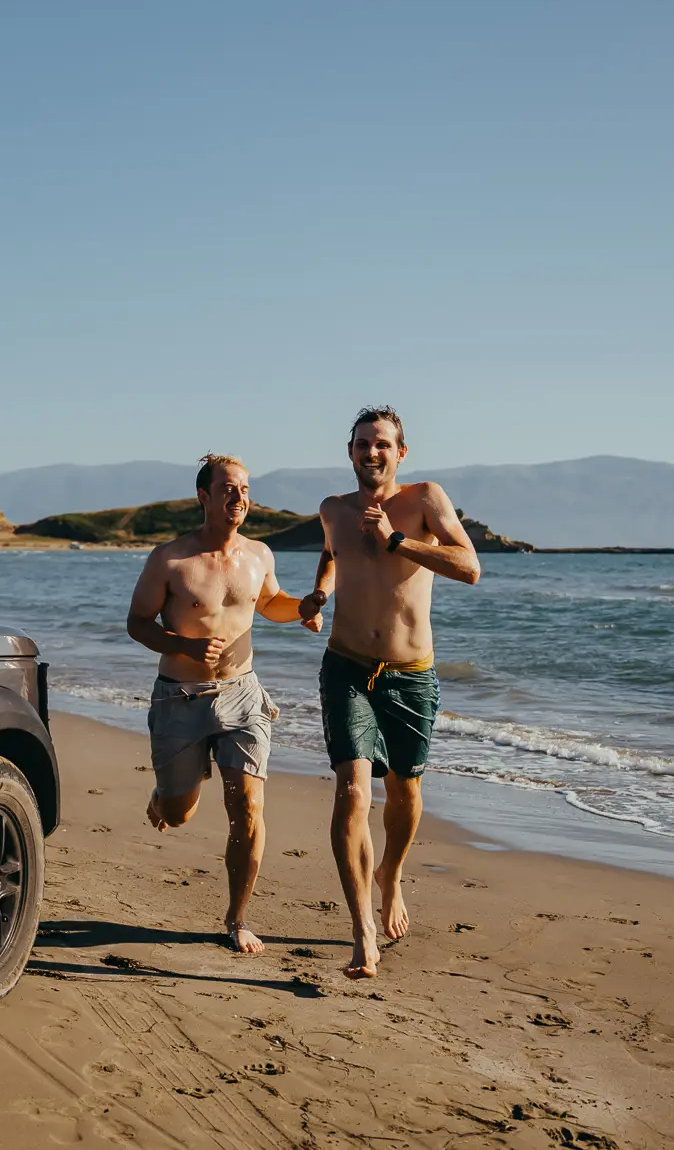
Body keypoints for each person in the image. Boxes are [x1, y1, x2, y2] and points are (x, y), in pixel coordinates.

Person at [297, 408, 479, 979]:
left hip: (411, 675)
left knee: (404, 794)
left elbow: (469, 566)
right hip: (347, 667)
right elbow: (330, 553)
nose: (371, 452)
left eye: (382, 444)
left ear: (401, 453)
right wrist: (318, 595)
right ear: (349, 451)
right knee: (352, 790)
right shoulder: (332, 510)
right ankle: (362, 931)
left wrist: (396, 540)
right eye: (361, 444)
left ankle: (391, 877)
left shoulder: (425, 499)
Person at [127, 454, 321, 954]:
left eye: (246, 489)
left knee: (248, 806)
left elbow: (270, 602)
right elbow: (137, 622)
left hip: (243, 695)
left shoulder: (259, 555)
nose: (240, 498)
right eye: (229, 489)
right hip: (179, 698)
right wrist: (184, 645)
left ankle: (237, 918)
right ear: (204, 497)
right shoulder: (170, 559)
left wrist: (303, 608)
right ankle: (167, 793)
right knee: (179, 811)